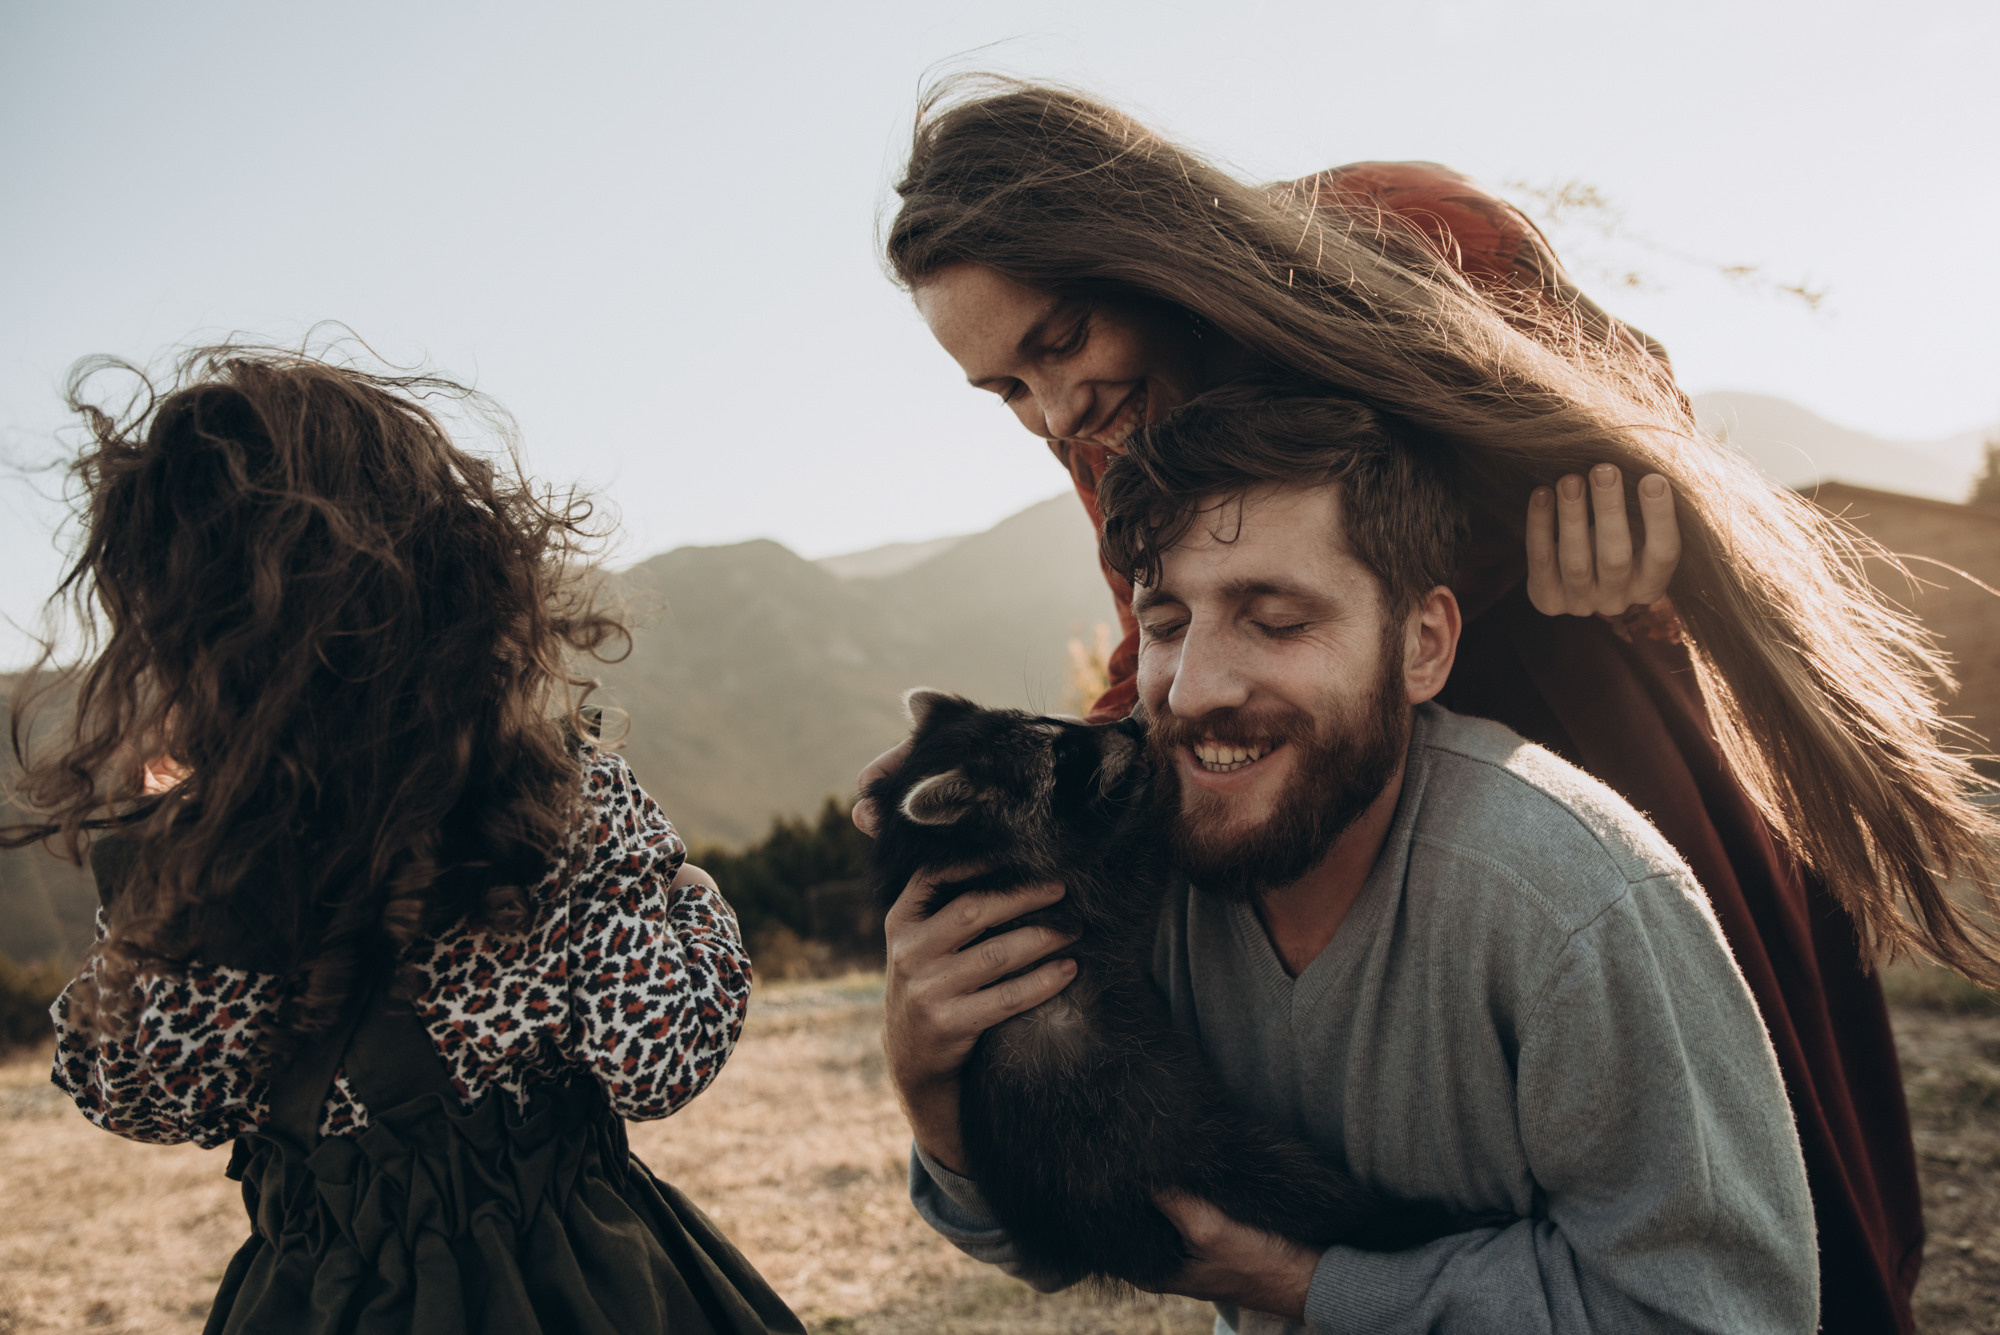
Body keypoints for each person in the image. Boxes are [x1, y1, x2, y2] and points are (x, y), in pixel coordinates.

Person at [866, 78, 2000, 1334]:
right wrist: (1012, 795)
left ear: (1129, 247)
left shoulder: (1409, 236)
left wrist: (1636, 544)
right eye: (1005, 389)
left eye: (1062, 337)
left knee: (1720, 1157)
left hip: (1592, 735)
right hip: (1343, 802)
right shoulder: (1115, 444)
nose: (1054, 412)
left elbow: (1646, 439)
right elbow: (1163, 651)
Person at [900, 386, 1820, 1333]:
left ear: (1422, 646)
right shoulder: (1129, 873)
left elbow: (1718, 1312)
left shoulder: (1570, 903)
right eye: (1168, 624)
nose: (1198, 686)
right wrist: (935, 1094)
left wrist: (1309, 1284)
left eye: (1279, 619)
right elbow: (1057, 1240)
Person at [4, 348, 804, 1335]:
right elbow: (656, 1058)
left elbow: (136, 1093)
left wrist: (150, 853)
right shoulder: (560, 793)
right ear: (453, 573)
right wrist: (693, 904)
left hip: (325, 1300)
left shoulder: (197, 870)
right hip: (586, 1282)